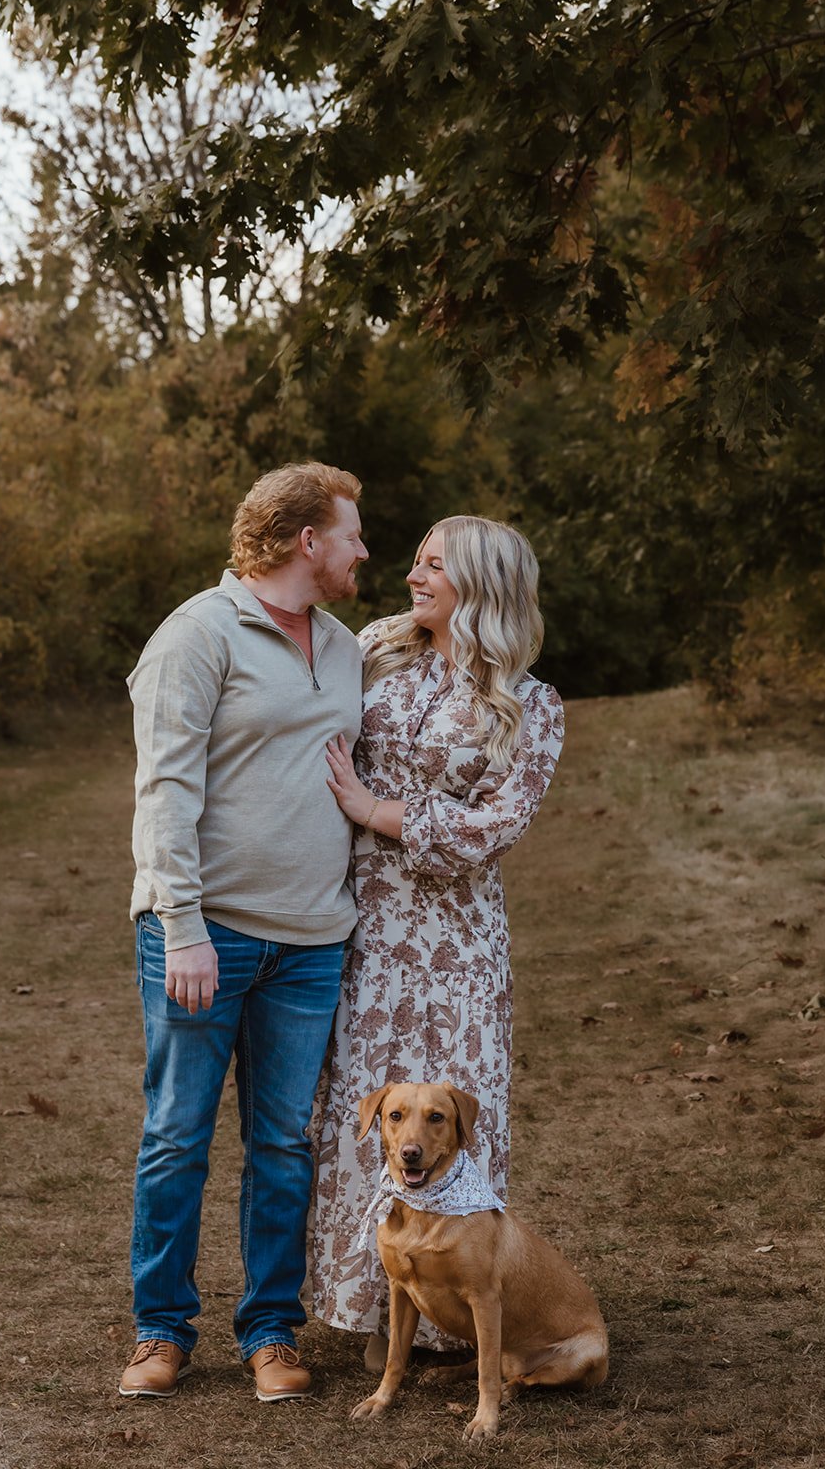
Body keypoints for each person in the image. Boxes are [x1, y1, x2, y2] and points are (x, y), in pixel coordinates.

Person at [120, 462, 367, 1403]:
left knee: (282, 1145)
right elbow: (166, 789)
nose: (362, 549)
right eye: (351, 533)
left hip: (311, 941)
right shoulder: (196, 634)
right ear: (307, 540)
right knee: (178, 1136)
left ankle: (271, 1332)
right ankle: (159, 1332)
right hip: (204, 937)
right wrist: (180, 925)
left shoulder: (346, 646)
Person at [308, 515, 565, 1362]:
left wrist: (371, 810)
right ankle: (365, 1299)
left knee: (454, 1119)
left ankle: (460, 1307)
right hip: (366, 929)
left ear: (482, 587)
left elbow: (492, 828)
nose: (411, 577)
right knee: (366, 1114)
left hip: (457, 947)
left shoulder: (530, 705)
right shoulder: (375, 651)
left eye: (431, 567)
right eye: (414, 562)